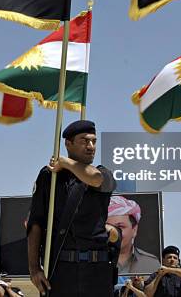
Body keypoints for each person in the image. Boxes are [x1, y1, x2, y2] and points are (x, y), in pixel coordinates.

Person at [27, 120, 117, 297]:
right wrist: (34, 268)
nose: (91, 146)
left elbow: (95, 179)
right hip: (61, 270)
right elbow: (35, 223)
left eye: (94, 141)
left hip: (97, 270)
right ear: (68, 143)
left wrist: (65, 162)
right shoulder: (50, 177)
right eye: (84, 141)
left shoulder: (103, 173)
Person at [107, 195, 161, 275]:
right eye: (108, 227)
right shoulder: (90, 262)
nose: (114, 233)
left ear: (134, 230)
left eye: (120, 227)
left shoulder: (151, 263)